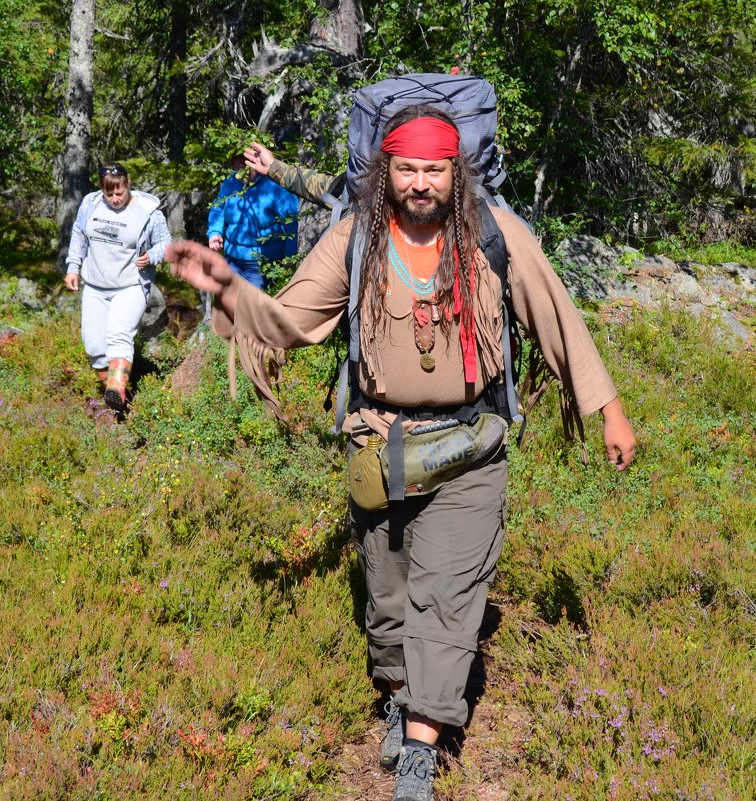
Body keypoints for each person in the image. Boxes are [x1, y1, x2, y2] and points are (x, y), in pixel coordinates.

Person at [167, 106, 636, 801]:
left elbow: (557, 317)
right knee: (388, 602)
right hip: (376, 446)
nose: (420, 183)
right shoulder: (355, 236)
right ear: (387, 172)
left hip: (471, 446)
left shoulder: (496, 237)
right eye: (407, 169)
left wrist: (609, 411)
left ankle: (420, 746)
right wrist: (231, 288)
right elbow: (294, 320)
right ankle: (397, 695)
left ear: (457, 173)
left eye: (434, 170)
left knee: (447, 596)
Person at [64, 162, 171, 412]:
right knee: (93, 346)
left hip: (130, 285)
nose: (114, 198)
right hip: (96, 285)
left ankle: (116, 388)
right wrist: (73, 267)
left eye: (119, 192)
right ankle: (120, 401)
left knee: (119, 334)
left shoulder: (148, 210)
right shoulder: (90, 203)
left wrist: (152, 255)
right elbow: (79, 234)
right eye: (108, 194)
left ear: (127, 184)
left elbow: (165, 243)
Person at [207, 153, 300, 290]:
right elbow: (218, 208)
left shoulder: (275, 186)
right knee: (228, 300)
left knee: (252, 306)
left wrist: (289, 256)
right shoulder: (230, 183)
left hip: (262, 262)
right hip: (232, 257)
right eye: (236, 168)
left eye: (244, 167)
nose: (240, 173)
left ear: (254, 165)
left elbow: (292, 222)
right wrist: (215, 232)